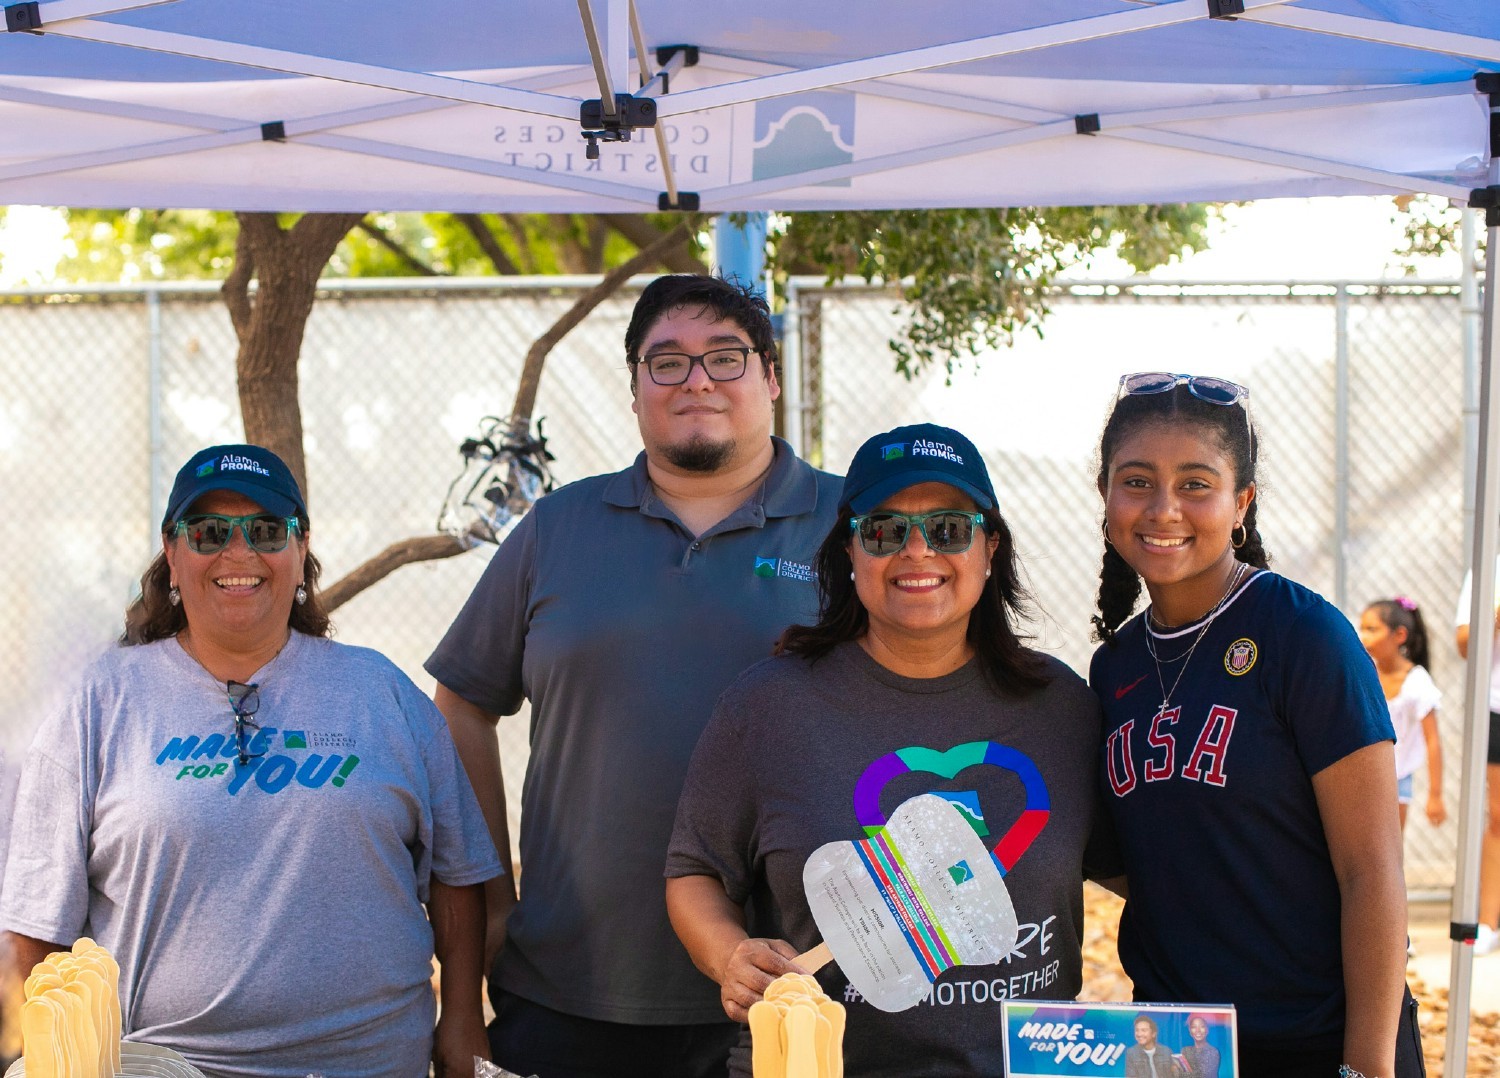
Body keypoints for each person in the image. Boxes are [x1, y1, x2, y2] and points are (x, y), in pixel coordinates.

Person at [426, 274, 842, 1078]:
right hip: (566, 988)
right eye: (667, 363)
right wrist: (497, 900)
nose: (697, 381)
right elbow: (462, 702)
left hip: (789, 995)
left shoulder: (851, 525)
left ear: (771, 378)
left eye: (725, 358)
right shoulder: (557, 526)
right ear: (634, 390)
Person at [0, 443, 502, 1078]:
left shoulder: (380, 691)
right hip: (157, 1066)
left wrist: (462, 1021)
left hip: (368, 1063)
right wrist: (55, 1057)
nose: (238, 553)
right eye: (209, 532)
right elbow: (35, 920)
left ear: (300, 552)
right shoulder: (97, 701)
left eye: (265, 530)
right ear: (173, 557)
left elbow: (458, 874)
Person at [665, 423, 1110, 1077]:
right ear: (850, 550)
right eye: (885, 530)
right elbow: (693, 871)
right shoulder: (770, 705)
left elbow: (1152, 876)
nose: (918, 551)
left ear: (990, 548)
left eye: (949, 530)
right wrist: (730, 954)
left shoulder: (1065, 707)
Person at [1089, 373, 1422, 1078]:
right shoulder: (1112, 667)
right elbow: (1143, 860)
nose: (1164, 508)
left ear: (1241, 503)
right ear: (1107, 496)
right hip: (1181, 1046)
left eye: (1196, 484)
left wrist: (1366, 1066)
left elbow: (1372, 870)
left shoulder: (1304, 634)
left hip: (1318, 1043)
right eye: (1138, 481)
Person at [1358, 597, 1444, 832]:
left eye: (1372, 629)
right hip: (1361, 774)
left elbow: (1433, 741)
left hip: (1397, 778)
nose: (1363, 637)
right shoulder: (1363, 672)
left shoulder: (1417, 682)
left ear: (1400, 636)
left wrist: (1435, 795)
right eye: (1362, 628)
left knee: (1389, 848)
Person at [1454, 559, 1500, 956]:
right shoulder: (1489, 567)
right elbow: (1466, 643)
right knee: (1498, 814)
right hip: (1496, 705)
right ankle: (1488, 921)